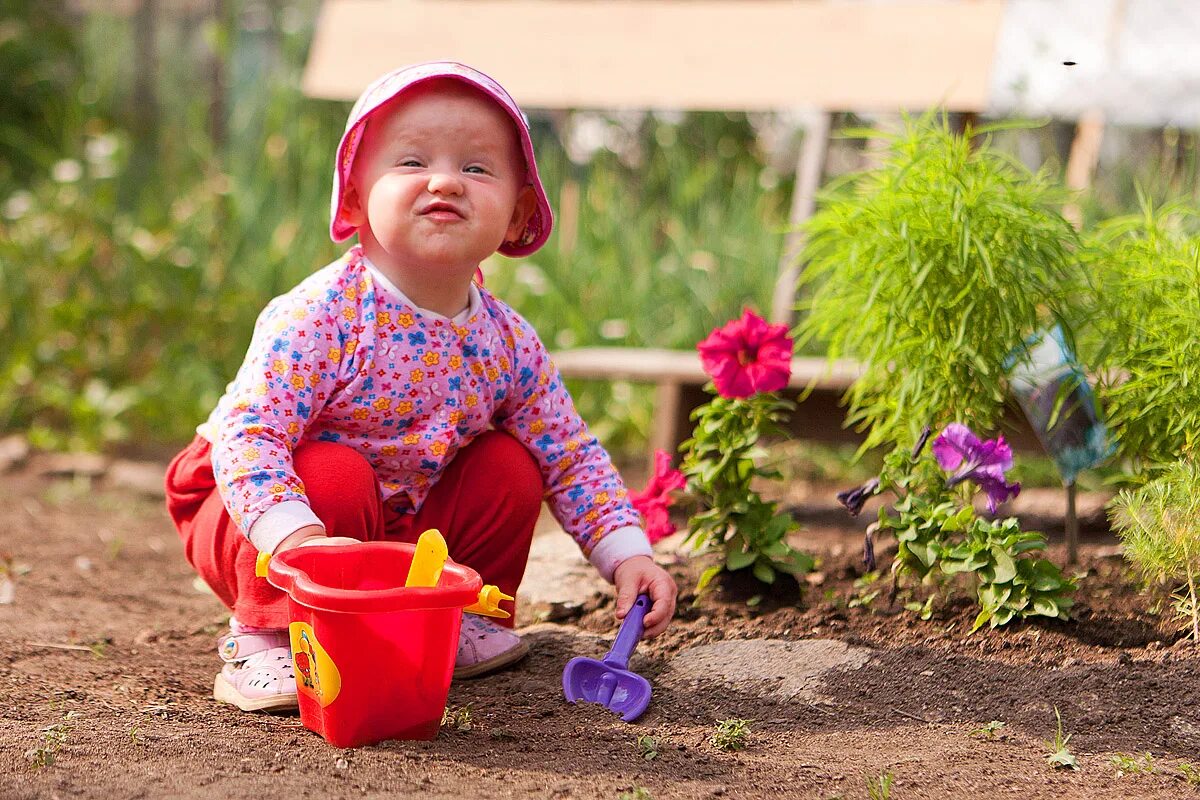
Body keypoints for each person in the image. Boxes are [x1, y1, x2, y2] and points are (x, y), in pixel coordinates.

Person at [164, 61, 678, 712]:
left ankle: (455, 615)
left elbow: (569, 455)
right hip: (253, 514)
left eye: (477, 168)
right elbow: (249, 438)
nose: (444, 181)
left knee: (512, 466)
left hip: (399, 520)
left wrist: (627, 554)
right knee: (335, 473)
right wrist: (293, 540)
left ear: (519, 216)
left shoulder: (507, 342)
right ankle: (264, 637)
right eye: (411, 162)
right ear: (353, 199)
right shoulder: (323, 315)